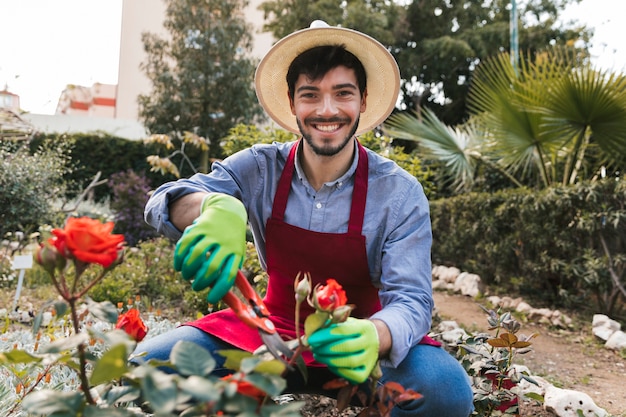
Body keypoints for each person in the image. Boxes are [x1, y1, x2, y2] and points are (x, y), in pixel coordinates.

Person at [139, 20, 474, 417]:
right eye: (310, 95)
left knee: (444, 394)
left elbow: (412, 300)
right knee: (148, 369)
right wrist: (214, 206)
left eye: (342, 94)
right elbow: (162, 200)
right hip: (270, 331)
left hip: (355, 344)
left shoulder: (399, 193)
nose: (326, 110)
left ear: (363, 101)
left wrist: (375, 334)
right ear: (293, 102)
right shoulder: (259, 167)